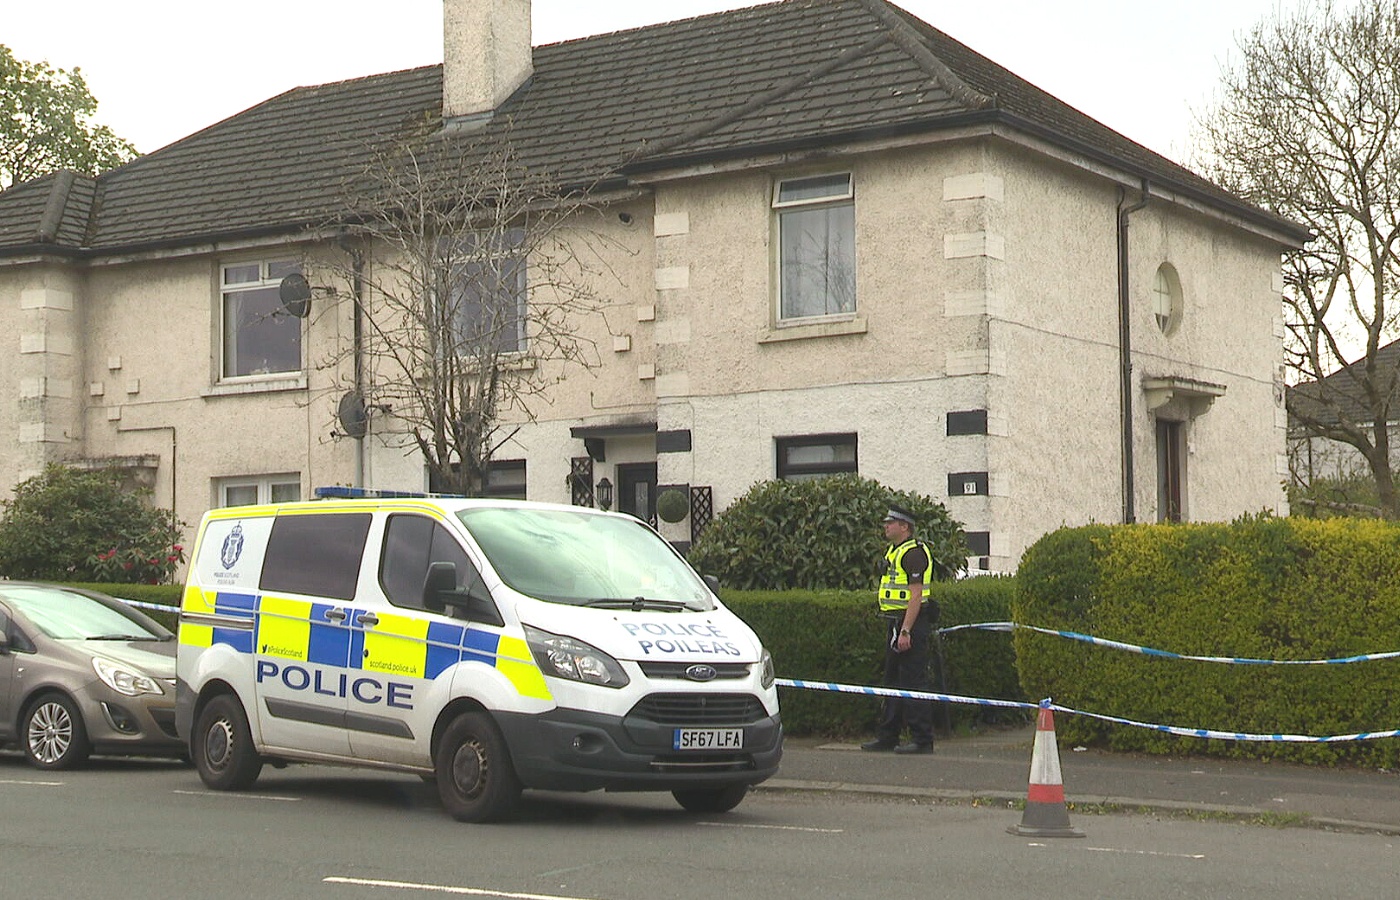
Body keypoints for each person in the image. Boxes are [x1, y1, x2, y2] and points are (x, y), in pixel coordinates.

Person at [861, 503, 937, 754]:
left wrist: (906, 631)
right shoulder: (894, 551)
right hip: (895, 622)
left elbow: (915, 597)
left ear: (904, 527)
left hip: (910, 622)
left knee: (914, 681)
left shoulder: (913, 553)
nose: (885, 526)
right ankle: (888, 736)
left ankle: (922, 740)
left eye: (890, 523)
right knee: (891, 680)